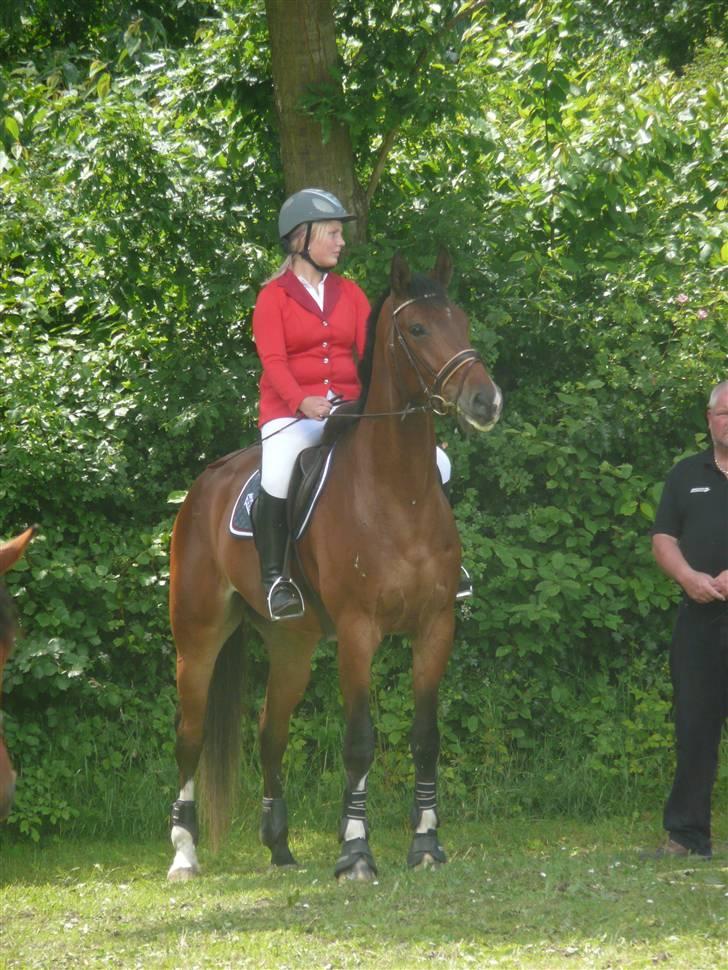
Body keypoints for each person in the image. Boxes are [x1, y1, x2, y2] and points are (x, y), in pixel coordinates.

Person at [251, 187, 464, 621]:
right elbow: (272, 361)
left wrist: (377, 401)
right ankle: (276, 579)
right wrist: (300, 400)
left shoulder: (350, 294)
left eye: (339, 234)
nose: (341, 241)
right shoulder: (273, 297)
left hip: (350, 407)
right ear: (301, 237)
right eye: (332, 232)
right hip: (291, 415)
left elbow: (373, 359)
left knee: (438, 463)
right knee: (277, 470)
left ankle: (446, 561)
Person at [650, 379, 728, 859]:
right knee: (694, 727)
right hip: (698, 622)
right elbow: (663, 538)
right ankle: (686, 836)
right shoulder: (685, 475)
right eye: (724, 414)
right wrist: (687, 578)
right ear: (709, 418)